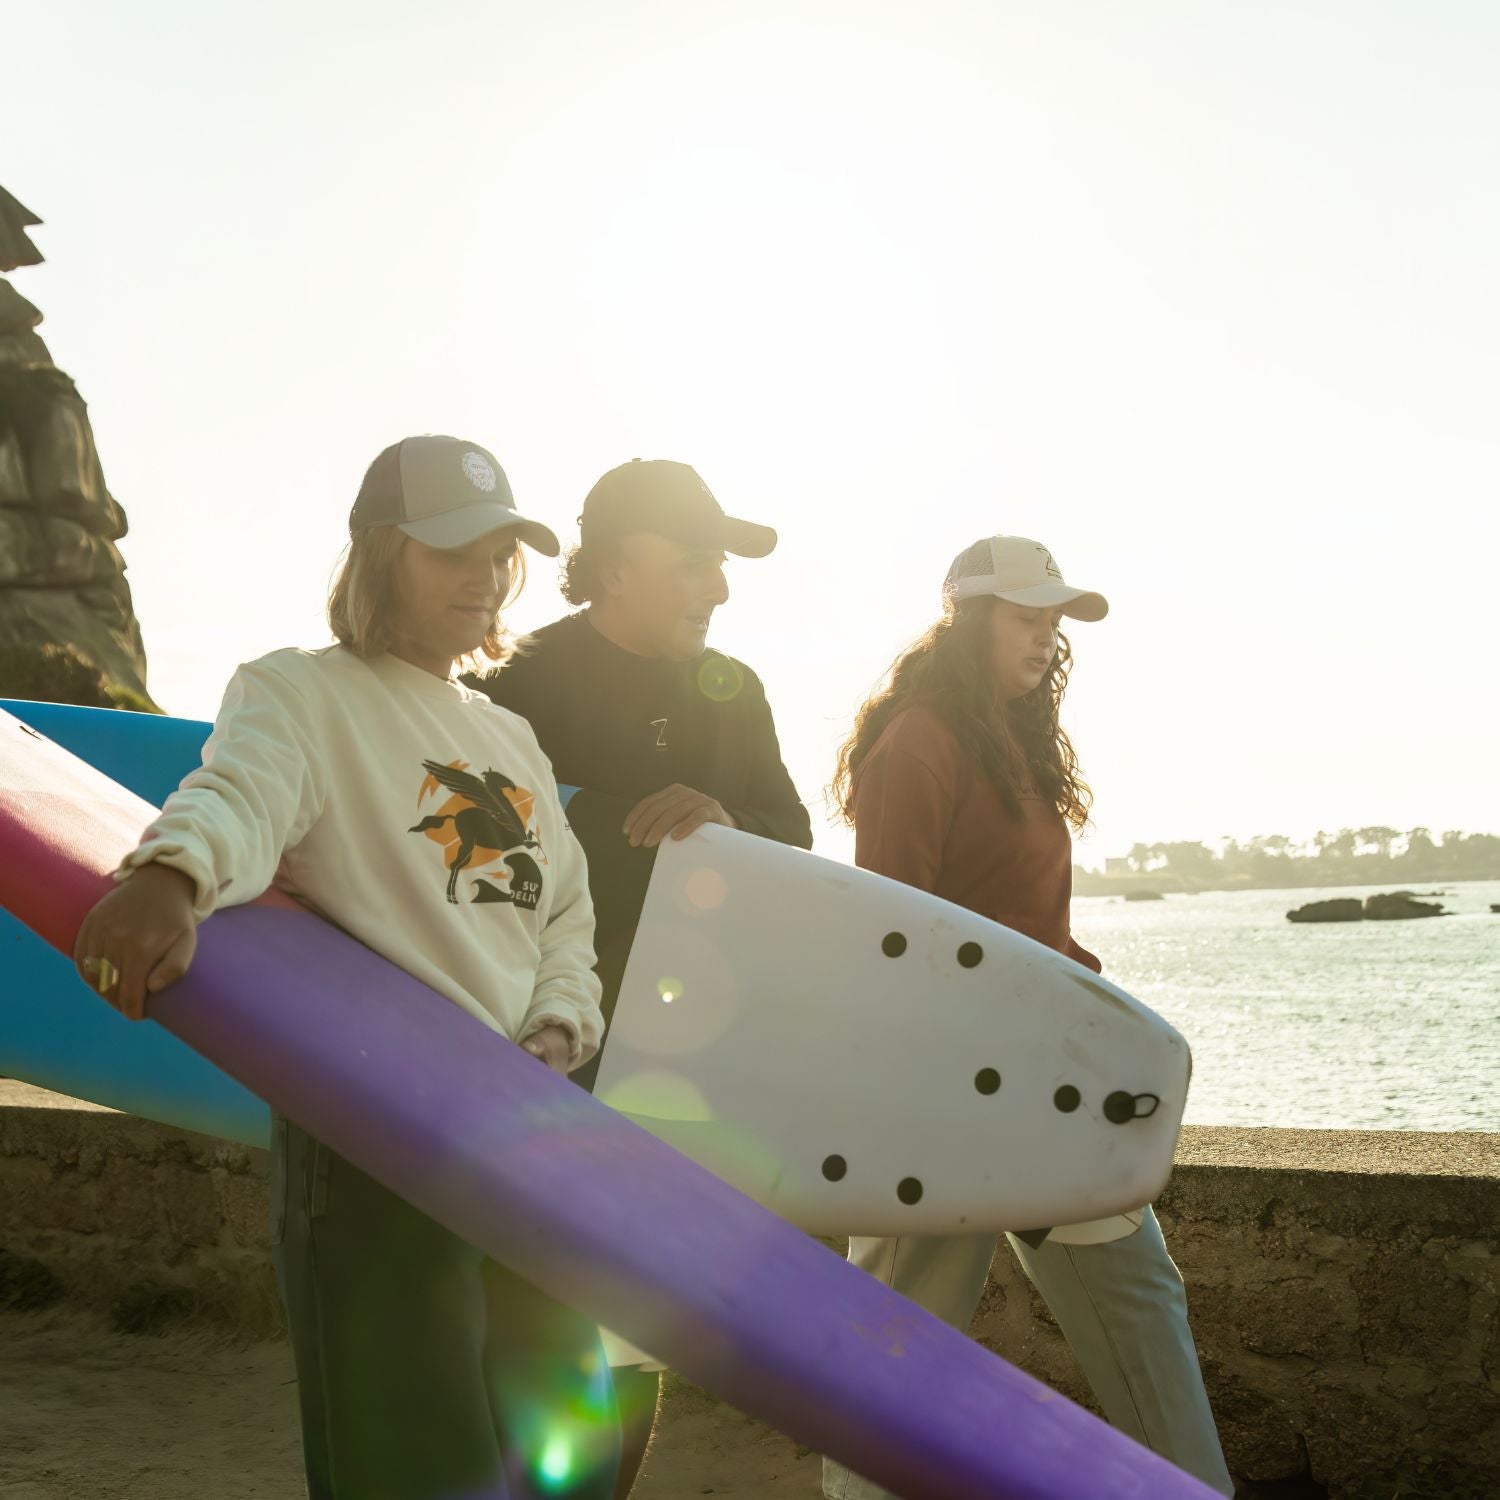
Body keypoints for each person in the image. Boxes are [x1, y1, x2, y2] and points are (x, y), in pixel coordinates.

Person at [72, 435, 619, 1500]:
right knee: (416, 1466)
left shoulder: (508, 732)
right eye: (450, 549)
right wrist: (171, 878)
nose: (482, 575)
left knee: (566, 1459)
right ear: (380, 555)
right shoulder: (302, 692)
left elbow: (566, 912)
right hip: (379, 1129)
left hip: (525, 1124)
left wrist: (561, 1025)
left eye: (500, 551)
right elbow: (242, 794)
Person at [822, 534, 1235, 1500]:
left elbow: (1030, 925)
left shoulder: (1016, 741)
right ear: (968, 619)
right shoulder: (918, 741)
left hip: (1050, 1082)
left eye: (1055, 617)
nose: (1046, 633)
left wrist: (1093, 1011)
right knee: (898, 1339)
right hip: (937, 1097)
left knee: (1138, 1298)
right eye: (1025, 613)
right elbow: (888, 933)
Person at [470, 457, 812, 1494]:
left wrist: (726, 824)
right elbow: (464, 867)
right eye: (695, 562)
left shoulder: (733, 691)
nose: (718, 588)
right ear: (614, 566)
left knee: (631, 1332)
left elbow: (795, 849)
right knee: (534, 1332)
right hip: (538, 1058)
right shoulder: (514, 689)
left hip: (677, 1062)